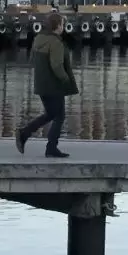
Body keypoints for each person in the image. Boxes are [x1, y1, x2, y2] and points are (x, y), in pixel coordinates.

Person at [15, 12, 78, 158]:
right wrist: (65, 79)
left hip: (41, 84)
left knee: (51, 114)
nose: (63, 27)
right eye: (62, 24)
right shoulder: (55, 42)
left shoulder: (38, 39)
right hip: (54, 85)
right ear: (57, 26)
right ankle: (48, 146)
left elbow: (32, 59)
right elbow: (57, 65)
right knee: (59, 116)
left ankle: (26, 134)